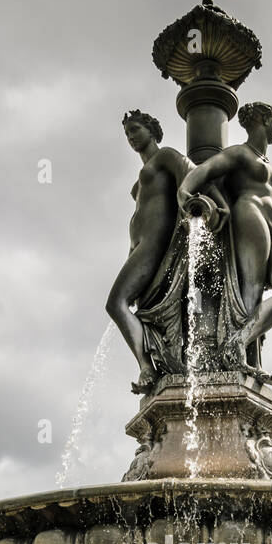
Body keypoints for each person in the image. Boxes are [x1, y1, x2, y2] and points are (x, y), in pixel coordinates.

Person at [177, 101, 272, 373]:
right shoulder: (241, 153)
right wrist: (184, 193)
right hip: (249, 213)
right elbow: (203, 172)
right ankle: (239, 357)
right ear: (263, 120)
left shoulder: (264, 159)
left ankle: (238, 341)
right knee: (252, 290)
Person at [106, 110, 193, 393]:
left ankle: (146, 367)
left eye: (135, 130)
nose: (131, 137)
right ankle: (152, 362)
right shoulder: (140, 180)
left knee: (116, 302)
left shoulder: (165, 156)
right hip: (139, 247)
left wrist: (191, 207)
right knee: (122, 305)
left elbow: (190, 173)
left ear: (152, 130)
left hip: (156, 243)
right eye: (127, 133)